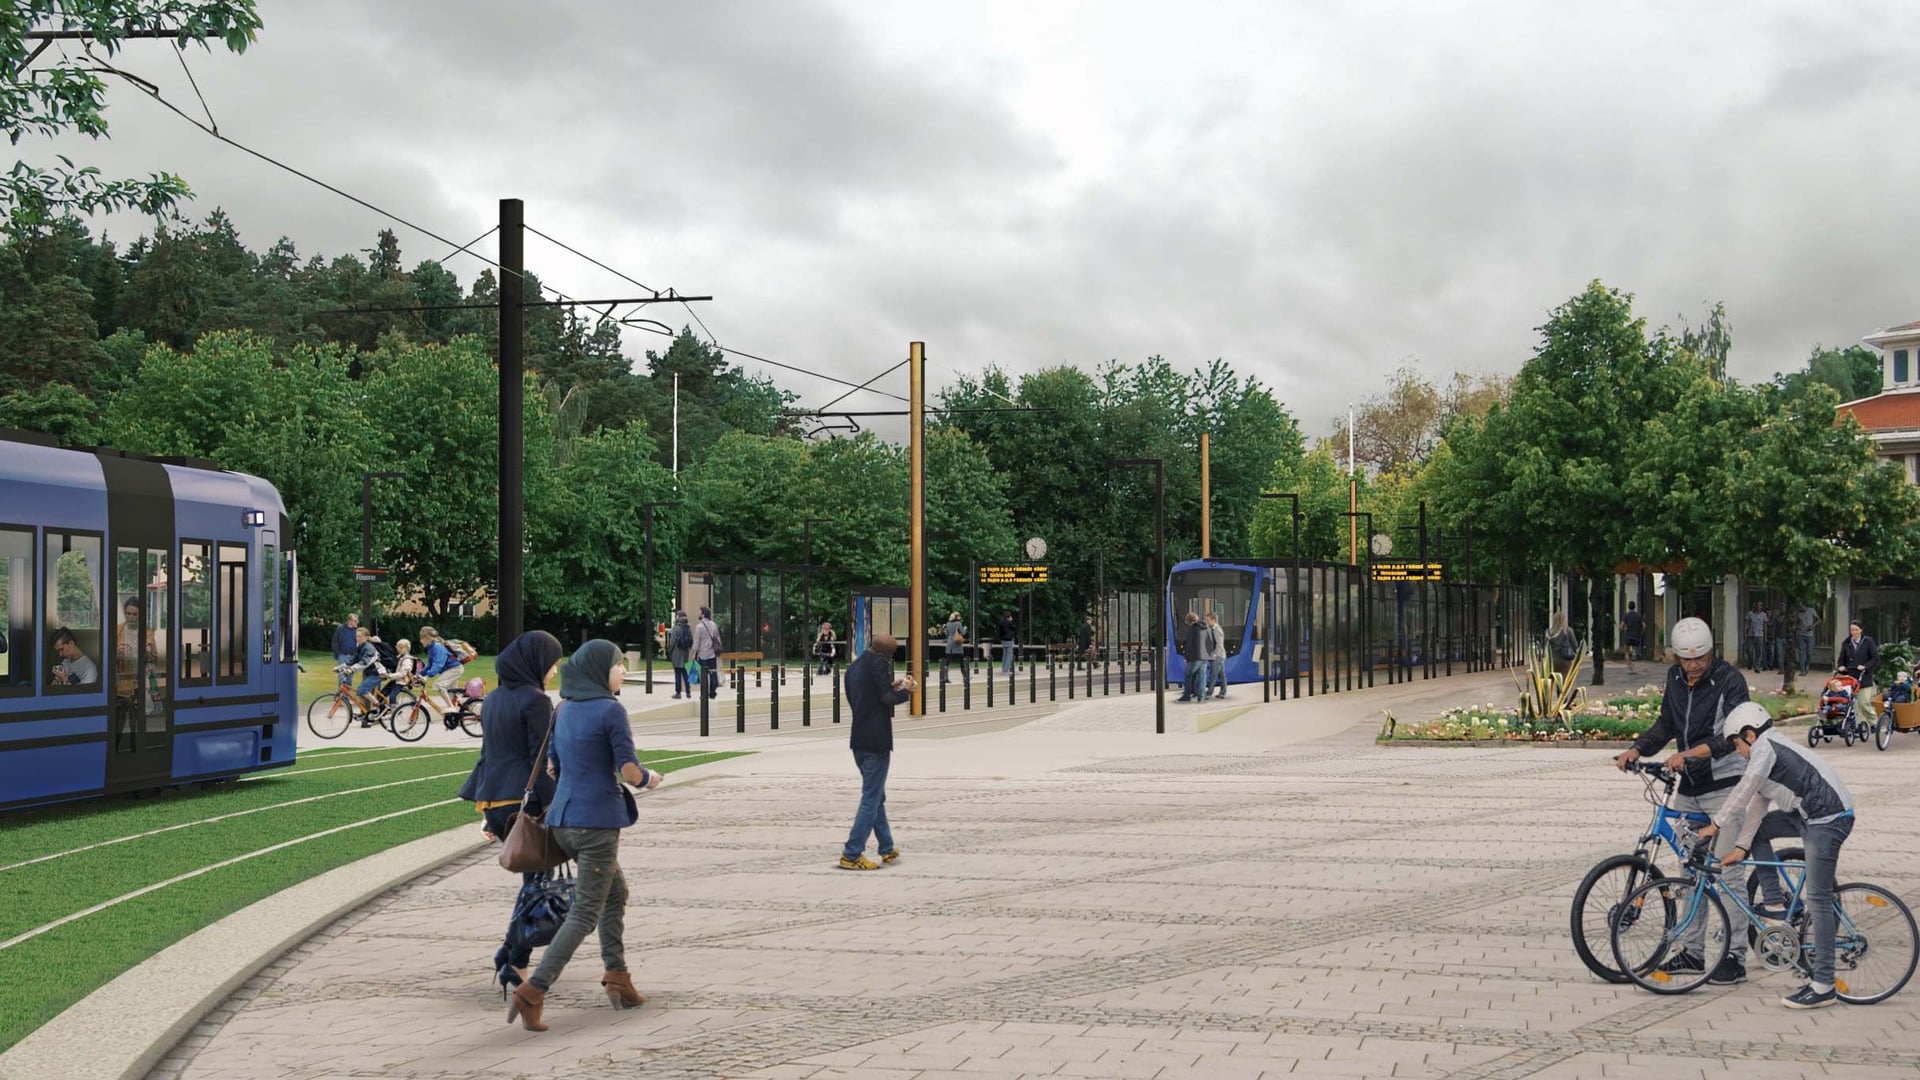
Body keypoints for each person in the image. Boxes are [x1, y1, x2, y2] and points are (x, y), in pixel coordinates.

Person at [506, 639, 662, 1032]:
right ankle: (533, 990)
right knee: (585, 912)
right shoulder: (611, 711)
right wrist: (650, 778)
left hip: (563, 821)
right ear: (599, 670)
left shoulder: (563, 708)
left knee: (616, 892)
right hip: (596, 824)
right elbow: (629, 770)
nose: (623, 671)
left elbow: (553, 768)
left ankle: (617, 975)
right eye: (618, 665)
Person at [1613, 615, 1752, 985]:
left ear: (1711, 652)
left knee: (1728, 870)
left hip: (1724, 785)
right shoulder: (1675, 679)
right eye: (1686, 659)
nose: (1693, 666)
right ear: (1676, 657)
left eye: (1700, 658)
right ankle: (1692, 952)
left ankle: (1735, 957)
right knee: (1690, 872)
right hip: (1690, 789)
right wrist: (1637, 748)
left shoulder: (1729, 680)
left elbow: (1735, 736)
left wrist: (1690, 754)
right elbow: (1666, 725)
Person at [1698, 701, 1856, 1009]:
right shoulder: (1766, 751)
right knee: (1757, 831)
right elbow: (1757, 804)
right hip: (1807, 816)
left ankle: (1824, 985)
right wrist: (1740, 848)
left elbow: (1744, 790)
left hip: (1829, 819)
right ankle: (1774, 902)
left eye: (1736, 744)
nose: (1737, 752)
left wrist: (1715, 824)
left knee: (1819, 900)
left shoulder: (1765, 748)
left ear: (1750, 735)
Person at [458, 630, 565, 1000]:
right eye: (552, 664)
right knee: (537, 882)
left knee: (533, 879)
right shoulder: (537, 701)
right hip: (525, 802)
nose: (554, 671)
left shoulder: (493, 699)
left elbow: (487, 755)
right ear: (535, 663)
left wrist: (485, 809)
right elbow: (539, 759)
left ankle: (510, 953)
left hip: (495, 800)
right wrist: (558, 804)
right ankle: (515, 960)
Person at [839, 630, 912, 870]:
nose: (890, 659)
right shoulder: (879, 664)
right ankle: (852, 853)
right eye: (891, 655)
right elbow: (887, 699)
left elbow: (864, 697)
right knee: (871, 799)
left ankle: (887, 848)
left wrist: (890, 687)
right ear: (884, 654)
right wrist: (906, 691)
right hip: (876, 740)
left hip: (858, 738)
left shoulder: (854, 667)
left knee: (876, 796)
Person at [419, 625, 466, 707]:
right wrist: (419, 675)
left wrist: (427, 677)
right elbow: (429, 665)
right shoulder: (431, 648)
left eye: (421, 638)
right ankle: (454, 712)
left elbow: (438, 664)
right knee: (451, 694)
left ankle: (452, 708)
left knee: (439, 685)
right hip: (451, 670)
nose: (420, 641)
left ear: (427, 638)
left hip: (454, 669)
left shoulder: (438, 647)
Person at [1837, 620, 1877, 697]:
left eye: (1856, 630)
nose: (1854, 632)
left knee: (1864, 701)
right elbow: (1841, 659)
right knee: (1851, 701)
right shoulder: (1846, 643)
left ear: (1861, 630)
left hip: (1864, 676)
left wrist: (1865, 666)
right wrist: (1841, 666)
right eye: (1852, 630)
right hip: (1851, 677)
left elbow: (1875, 658)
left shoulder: (1868, 641)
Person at [691, 606, 722, 699]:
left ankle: (704, 693)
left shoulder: (699, 626)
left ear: (703, 614)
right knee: (713, 673)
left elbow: (696, 642)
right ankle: (712, 691)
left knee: (703, 675)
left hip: (703, 654)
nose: (698, 614)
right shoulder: (714, 625)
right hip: (712, 654)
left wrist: (694, 653)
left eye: (699, 612)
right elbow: (717, 639)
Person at [1176, 612, 1204, 702]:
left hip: (1194, 657)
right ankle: (1198, 694)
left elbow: (1190, 645)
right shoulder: (1203, 628)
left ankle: (1187, 695)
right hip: (1203, 657)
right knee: (1198, 676)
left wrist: (1186, 657)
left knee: (1188, 675)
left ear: (1190, 621)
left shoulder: (1192, 629)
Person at [1204, 610, 1228, 699]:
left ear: (1213, 620)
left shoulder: (1217, 630)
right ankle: (1223, 692)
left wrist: (1214, 655)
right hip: (1220, 655)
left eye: (1208, 620)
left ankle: (1209, 693)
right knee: (1222, 675)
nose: (1207, 622)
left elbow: (1219, 644)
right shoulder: (1213, 629)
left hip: (1218, 656)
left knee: (1213, 675)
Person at [668, 612, 692, 699]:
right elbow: (691, 640)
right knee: (685, 673)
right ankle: (688, 691)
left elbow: (672, 642)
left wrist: (669, 651)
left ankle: (678, 692)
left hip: (677, 653)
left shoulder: (676, 628)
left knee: (677, 673)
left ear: (678, 617)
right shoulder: (688, 627)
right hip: (685, 653)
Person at [1547, 611, 1577, 677]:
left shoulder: (1549, 632)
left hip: (1553, 661)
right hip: (1565, 661)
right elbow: (1575, 645)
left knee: (1552, 680)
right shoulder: (1568, 630)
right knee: (1564, 681)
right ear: (1563, 620)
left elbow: (1547, 647)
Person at [940, 611, 967, 684]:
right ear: (956, 617)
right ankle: (965, 677)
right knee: (961, 661)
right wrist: (965, 628)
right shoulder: (958, 623)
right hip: (957, 644)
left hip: (950, 644)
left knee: (947, 661)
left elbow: (947, 634)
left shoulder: (948, 624)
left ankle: (945, 677)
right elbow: (963, 633)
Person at [1743, 601, 1768, 672]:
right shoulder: (1750, 613)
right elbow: (1746, 624)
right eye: (1758, 605)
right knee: (1749, 651)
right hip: (1751, 635)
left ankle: (1757, 666)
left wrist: (1765, 636)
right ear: (1755, 606)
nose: (1759, 607)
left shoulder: (1764, 615)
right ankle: (1751, 662)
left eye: (1760, 605)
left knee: (1759, 652)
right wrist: (1745, 633)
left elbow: (1765, 626)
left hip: (1760, 635)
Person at [1796, 602, 1819, 676]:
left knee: (1809, 652)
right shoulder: (1798, 613)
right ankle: (1802, 670)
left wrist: (1813, 626)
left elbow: (1818, 620)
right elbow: (1797, 623)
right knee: (1801, 653)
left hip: (1810, 635)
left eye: (1800, 606)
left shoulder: (1811, 610)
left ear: (1804, 605)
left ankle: (1807, 665)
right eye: (1798, 606)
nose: (1799, 608)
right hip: (1801, 634)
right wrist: (1797, 627)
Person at [997, 612, 1017, 676]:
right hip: (1009, 640)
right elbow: (1014, 628)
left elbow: (999, 632)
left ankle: (1003, 669)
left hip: (1003, 640)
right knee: (1009, 656)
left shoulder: (1001, 623)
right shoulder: (1009, 623)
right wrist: (1011, 621)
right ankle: (1005, 670)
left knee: (1005, 655)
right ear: (1009, 617)